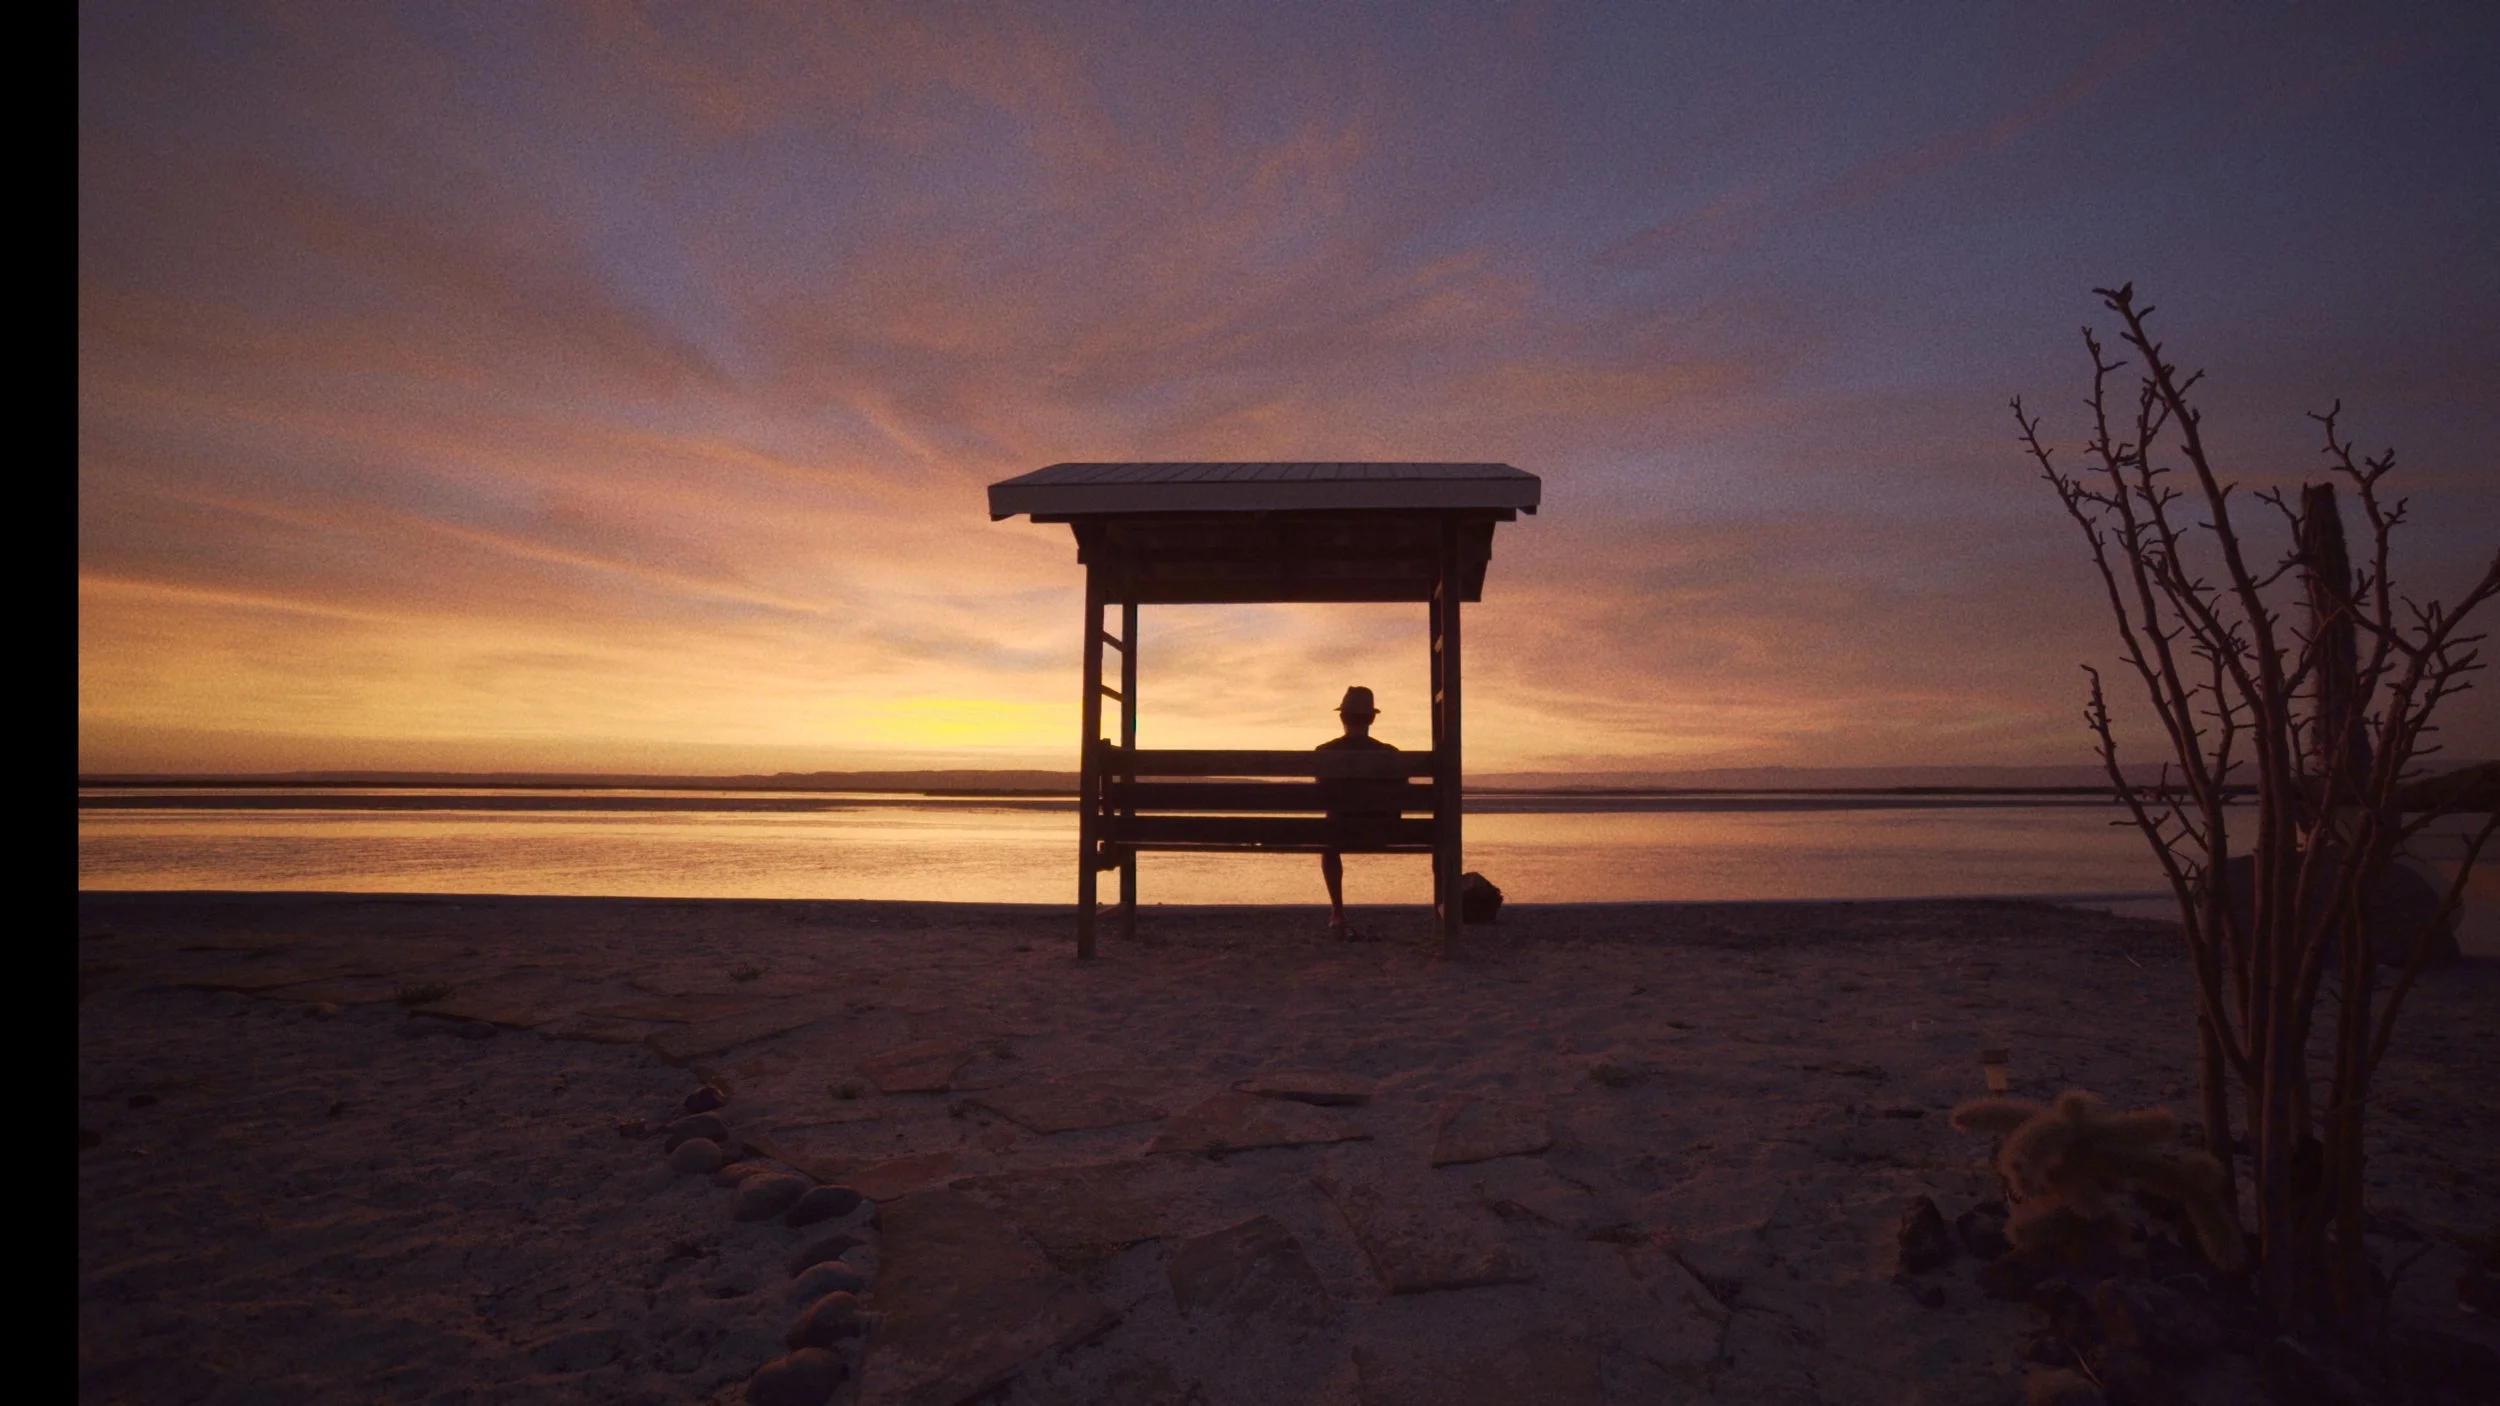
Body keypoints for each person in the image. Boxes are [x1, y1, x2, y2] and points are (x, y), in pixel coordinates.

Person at [1317, 685, 1398, 939]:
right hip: (1386, 833)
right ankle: (1442, 911)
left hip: (1338, 831)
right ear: (1372, 718)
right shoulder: (1391, 755)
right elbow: (1401, 795)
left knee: (1328, 839)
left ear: (1342, 717)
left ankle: (1338, 912)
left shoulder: (1324, 754)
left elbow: (1322, 795)